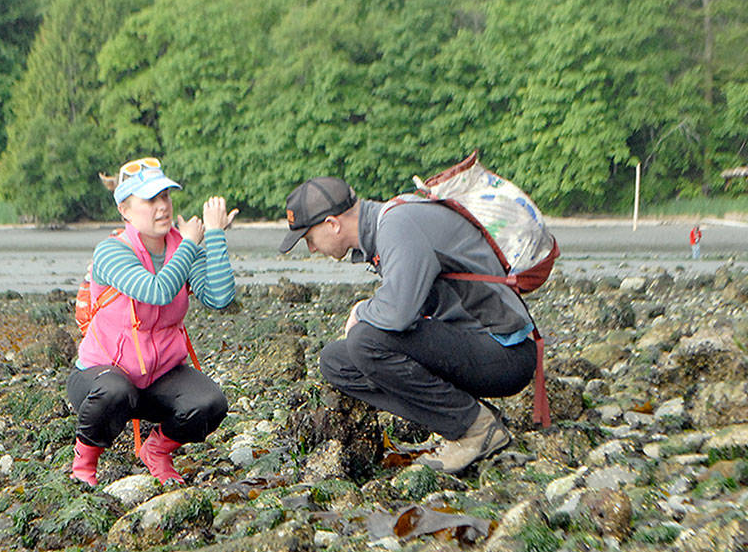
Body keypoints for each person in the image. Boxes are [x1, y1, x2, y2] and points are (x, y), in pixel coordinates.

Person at [279, 176, 538, 474]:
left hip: (506, 354)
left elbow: (398, 315)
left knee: (365, 340)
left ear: (332, 224)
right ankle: (471, 416)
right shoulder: (388, 225)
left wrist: (361, 310)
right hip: (475, 346)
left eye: (309, 238)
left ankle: (475, 429)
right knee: (337, 361)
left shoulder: (397, 224)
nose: (311, 249)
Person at [68, 157, 238, 486]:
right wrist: (189, 244)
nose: (163, 207)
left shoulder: (181, 247)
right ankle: (84, 465)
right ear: (125, 210)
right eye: (151, 200)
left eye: (166, 197)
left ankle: (156, 451)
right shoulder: (111, 252)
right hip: (101, 376)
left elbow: (220, 297)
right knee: (114, 390)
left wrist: (214, 235)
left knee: (211, 404)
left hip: (158, 377)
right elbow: (156, 292)